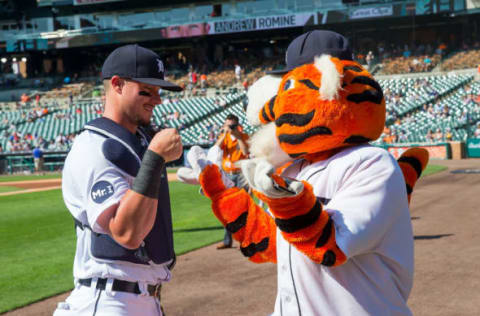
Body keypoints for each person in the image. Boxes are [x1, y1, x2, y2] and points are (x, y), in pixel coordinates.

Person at [54, 44, 183, 316]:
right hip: (109, 299)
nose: (157, 100)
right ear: (117, 85)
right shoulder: (95, 148)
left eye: (159, 92)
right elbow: (127, 233)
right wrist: (155, 158)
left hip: (139, 298)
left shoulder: (136, 143)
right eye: (146, 91)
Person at [214, 113, 249, 249]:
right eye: (228, 125)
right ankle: (227, 240)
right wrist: (224, 133)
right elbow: (216, 148)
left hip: (241, 175)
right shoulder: (225, 138)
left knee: (242, 208)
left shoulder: (244, 136)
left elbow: (245, 151)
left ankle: (245, 240)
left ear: (238, 125)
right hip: (227, 175)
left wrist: (238, 135)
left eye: (233, 125)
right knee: (227, 209)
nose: (231, 128)